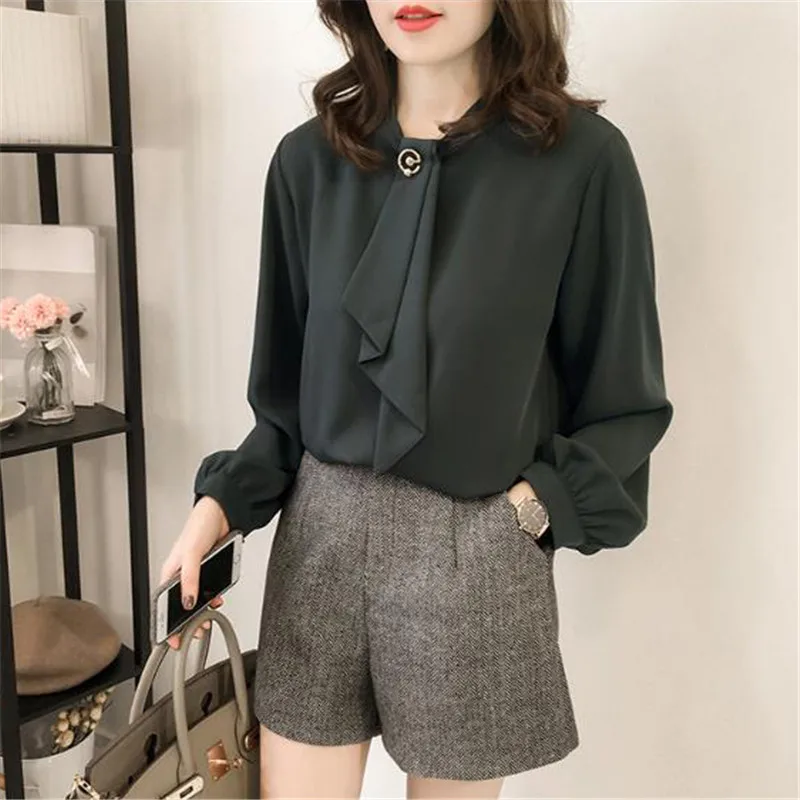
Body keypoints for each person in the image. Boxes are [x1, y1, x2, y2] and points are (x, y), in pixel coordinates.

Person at [159, 0, 674, 797]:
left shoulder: (582, 162)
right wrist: (220, 505)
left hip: (475, 551)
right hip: (318, 546)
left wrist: (526, 516)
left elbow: (623, 401)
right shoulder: (308, 161)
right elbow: (284, 399)